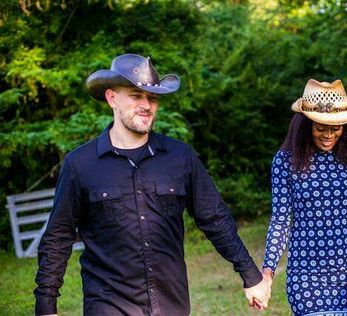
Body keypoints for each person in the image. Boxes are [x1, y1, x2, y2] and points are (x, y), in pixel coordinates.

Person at [34, 53, 270, 316]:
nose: (146, 105)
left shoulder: (180, 157)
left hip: (172, 303)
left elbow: (215, 219)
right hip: (108, 304)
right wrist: (46, 305)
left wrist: (250, 274)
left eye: (153, 97)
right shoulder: (80, 164)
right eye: (136, 95)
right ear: (112, 98)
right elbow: (58, 237)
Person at [261, 79, 347, 315]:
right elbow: (281, 219)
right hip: (306, 277)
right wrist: (268, 271)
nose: (328, 135)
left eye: (336, 128)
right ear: (305, 125)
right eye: (321, 128)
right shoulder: (285, 161)